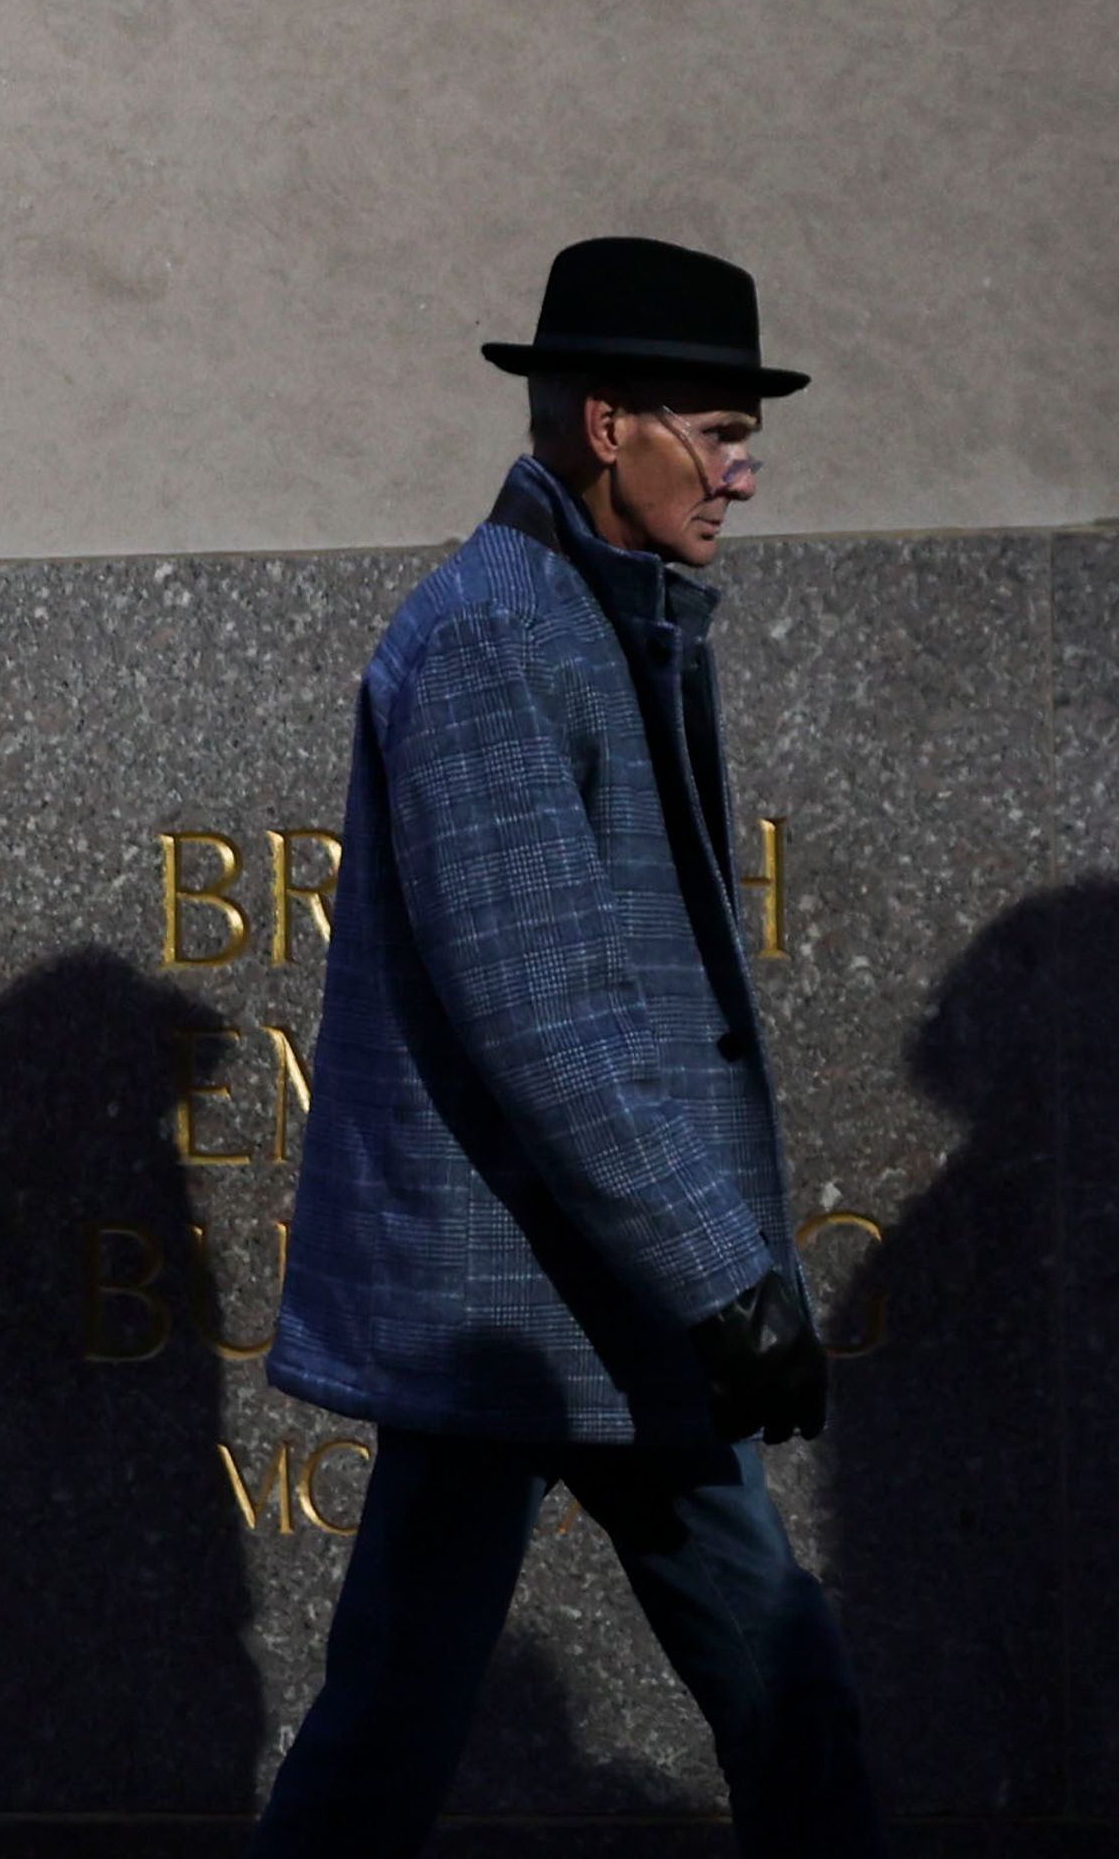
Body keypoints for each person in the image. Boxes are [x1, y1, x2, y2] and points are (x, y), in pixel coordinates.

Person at [252, 237, 880, 1856]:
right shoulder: (495, 636)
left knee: (775, 1680)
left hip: (584, 1297)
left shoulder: (599, 617)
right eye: (717, 435)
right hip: (521, 1310)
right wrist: (723, 1278)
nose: (742, 475)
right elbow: (546, 1007)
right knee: (404, 1724)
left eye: (749, 440)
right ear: (609, 424)